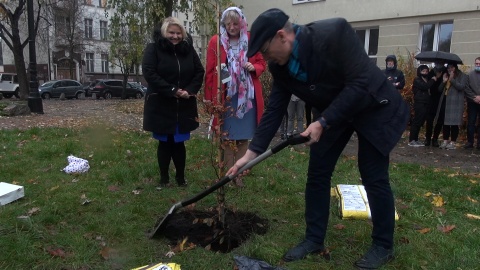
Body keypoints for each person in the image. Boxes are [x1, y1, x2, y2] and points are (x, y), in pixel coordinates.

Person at [226, 8, 409, 269]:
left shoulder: (334, 32)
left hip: (372, 105)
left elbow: (359, 83)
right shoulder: (281, 67)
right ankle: (314, 239)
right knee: (318, 173)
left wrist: (322, 122)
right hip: (335, 111)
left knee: (373, 175)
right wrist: (251, 153)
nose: (265, 58)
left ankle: (383, 245)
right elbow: (275, 109)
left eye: (265, 50)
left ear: (282, 36)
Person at [204, 7, 266, 187]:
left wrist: (255, 68)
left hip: (247, 98)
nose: (232, 27)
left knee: (244, 137)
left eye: (235, 23)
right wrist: (210, 96)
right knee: (227, 137)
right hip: (226, 96)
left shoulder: (250, 38)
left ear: (242, 23)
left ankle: (240, 175)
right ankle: (227, 175)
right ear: (224, 24)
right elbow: (209, 71)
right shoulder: (216, 41)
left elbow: (261, 62)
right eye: (228, 23)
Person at [142, 17, 205, 188]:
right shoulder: (153, 49)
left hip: (183, 105)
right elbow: (149, 72)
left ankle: (180, 178)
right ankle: (164, 178)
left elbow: (199, 71)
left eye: (178, 33)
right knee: (164, 142)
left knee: (179, 142)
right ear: (164, 32)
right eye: (171, 32)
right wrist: (172, 90)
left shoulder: (188, 50)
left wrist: (189, 91)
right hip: (161, 103)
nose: (175, 36)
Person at [437, 62, 467, 150]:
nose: (450, 70)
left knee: (454, 123)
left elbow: (461, 87)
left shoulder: (462, 76)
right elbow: (439, 89)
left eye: (451, 68)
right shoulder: (445, 75)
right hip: (446, 100)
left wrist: (452, 79)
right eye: (448, 68)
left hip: (456, 102)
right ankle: (445, 140)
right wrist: (444, 81)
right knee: (445, 123)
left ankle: (453, 142)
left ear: (455, 68)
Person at [408, 65, 437, 146]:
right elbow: (425, 86)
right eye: (423, 71)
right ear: (419, 71)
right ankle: (412, 140)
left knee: (421, 121)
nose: (425, 73)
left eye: (426, 71)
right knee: (417, 121)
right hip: (419, 103)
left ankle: (416, 139)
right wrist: (432, 80)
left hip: (426, 103)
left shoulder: (426, 79)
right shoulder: (417, 79)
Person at [424, 61, 446, 147]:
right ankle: (428, 138)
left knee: (440, 120)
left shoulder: (445, 72)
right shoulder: (431, 72)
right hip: (432, 99)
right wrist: (435, 78)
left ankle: (435, 139)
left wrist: (442, 80)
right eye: (437, 63)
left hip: (442, 99)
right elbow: (429, 86)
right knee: (430, 119)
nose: (439, 65)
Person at [463, 57, 480, 149]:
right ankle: (470, 142)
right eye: (476, 64)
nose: (477, 65)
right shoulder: (470, 75)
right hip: (472, 102)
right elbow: (466, 88)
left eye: (479, 64)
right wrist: (474, 97)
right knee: (471, 122)